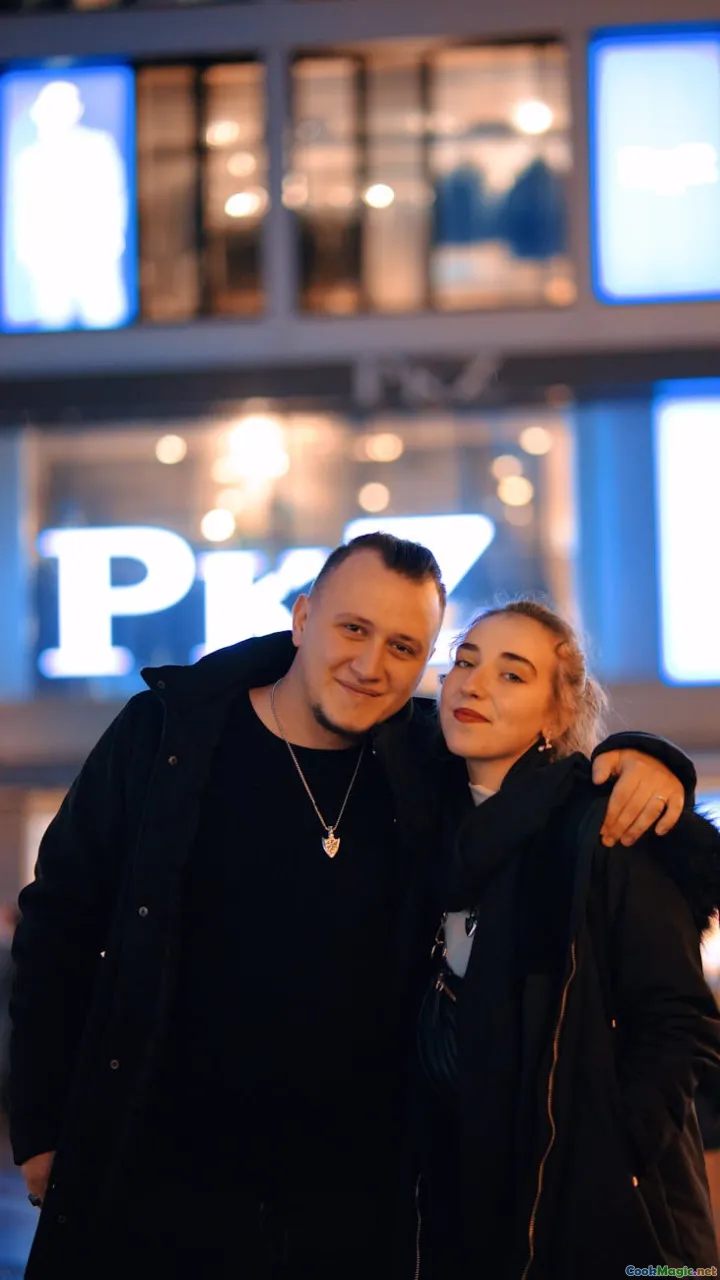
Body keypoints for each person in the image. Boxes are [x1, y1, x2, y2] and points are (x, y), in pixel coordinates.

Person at [10, 535, 691, 1280]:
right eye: (353, 629)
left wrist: (648, 756)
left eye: (403, 646)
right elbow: (59, 924)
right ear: (303, 618)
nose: (371, 665)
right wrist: (41, 1125)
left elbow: (542, 764)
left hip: (357, 1210)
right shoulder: (166, 736)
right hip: (163, 1183)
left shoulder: (423, 760)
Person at [416, 600, 720, 1278]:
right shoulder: (423, 830)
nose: (474, 685)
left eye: (512, 674)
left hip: (612, 1221)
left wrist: (611, 1155)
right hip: (471, 1208)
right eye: (464, 661)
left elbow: (678, 1022)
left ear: (556, 717)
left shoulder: (608, 829)